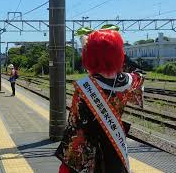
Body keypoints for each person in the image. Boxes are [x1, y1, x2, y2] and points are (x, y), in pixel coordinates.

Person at [55, 29, 144, 173]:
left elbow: (75, 125)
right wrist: (114, 48)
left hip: (87, 157)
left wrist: (87, 46)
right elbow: (137, 72)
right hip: (115, 150)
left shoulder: (85, 87)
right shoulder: (129, 82)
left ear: (89, 56)